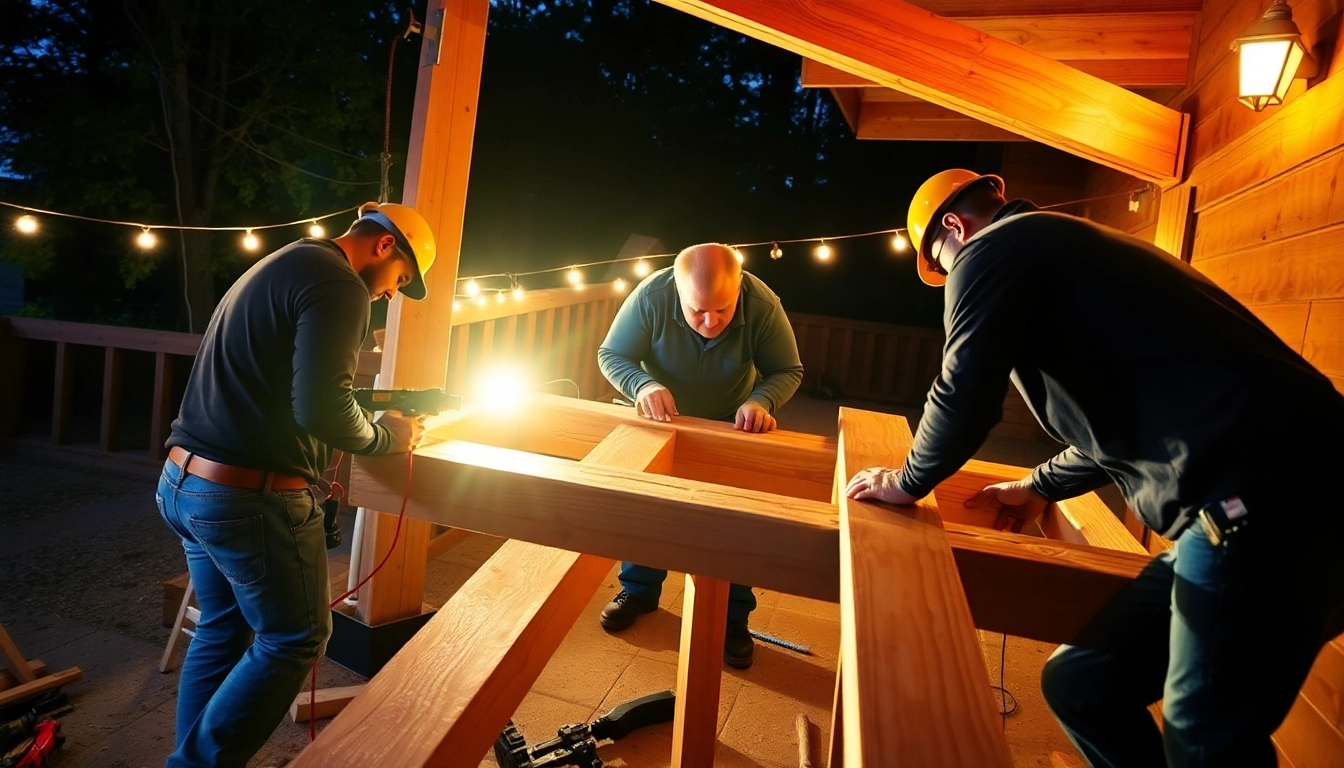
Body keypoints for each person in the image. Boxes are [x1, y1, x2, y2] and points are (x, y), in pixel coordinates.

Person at [844, 168, 1344, 767]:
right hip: (1258, 499)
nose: (950, 275)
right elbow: (1106, 430)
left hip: (1260, 499)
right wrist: (1036, 485)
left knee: (1207, 744)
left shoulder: (990, 251)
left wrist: (905, 482)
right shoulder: (1061, 250)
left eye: (941, 262)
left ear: (953, 227)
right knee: (1082, 686)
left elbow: (963, 389)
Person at [156, 202, 435, 768]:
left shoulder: (284, 260)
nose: (387, 297)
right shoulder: (341, 284)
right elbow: (322, 406)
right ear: (385, 247)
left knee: (223, 627)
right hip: (246, 499)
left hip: (181, 481)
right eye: (398, 281)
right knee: (296, 639)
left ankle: (192, 759)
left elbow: (285, 387)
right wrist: (388, 438)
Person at [596, 243, 804, 668]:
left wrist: (762, 400)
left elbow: (788, 370)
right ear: (676, 289)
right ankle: (638, 591)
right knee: (648, 508)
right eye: (697, 312)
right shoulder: (651, 295)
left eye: (723, 311)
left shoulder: (764, 306)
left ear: (740, 287)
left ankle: (733, 617)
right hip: (662, 418)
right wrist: (641, 385)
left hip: (730, 424)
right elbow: (611, 355)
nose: (710, 322)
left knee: (732, 520)